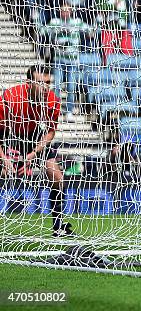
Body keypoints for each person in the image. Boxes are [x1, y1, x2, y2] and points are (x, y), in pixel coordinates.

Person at [0, 65, 73, 237]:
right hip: (6, 133)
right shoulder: (10, 98)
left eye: (48, 82)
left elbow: (50, 132)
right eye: (40, 82)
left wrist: (33, 153)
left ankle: (58, 227)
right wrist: (4, 158)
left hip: (33, 135)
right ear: (29, 83)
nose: (45, 87)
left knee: (57, 177)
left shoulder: (52, 100)